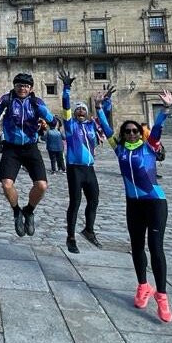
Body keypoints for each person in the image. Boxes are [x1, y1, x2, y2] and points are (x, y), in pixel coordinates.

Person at [102, 89, 172, 323]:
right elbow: (105, 127)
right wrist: (102, 106)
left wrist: (165, 109)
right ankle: (143, 286)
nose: (132, 133)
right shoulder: (120, 149)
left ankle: (161, 296)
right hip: (133, 204)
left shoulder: (149, 146)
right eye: (128, 131)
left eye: (135, 131)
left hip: (155, 202)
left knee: (155, 248)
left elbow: (157, 129)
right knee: (136, 246)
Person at [0, 72, 55, 237]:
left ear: (31, 88)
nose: (22, 88)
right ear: (14, 86)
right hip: (11, 148)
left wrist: (40, 110)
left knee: (42, 185)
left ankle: (29, 211)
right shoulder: (7, 99)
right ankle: (17, 211)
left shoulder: (36, 102)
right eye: (19, 85)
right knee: (6, 184)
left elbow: (52, 121)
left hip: (30, 147)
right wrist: (0, 109)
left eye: (26, 86)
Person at [59, 71, 112, 252]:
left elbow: (106, 122)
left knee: (94, 200)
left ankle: (89, 230)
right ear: (74, 113)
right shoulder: (70, 125)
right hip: (74, 168)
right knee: (75, 202)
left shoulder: (91, 126)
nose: (81, 111)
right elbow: (65, 107)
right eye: (78, 109)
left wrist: (104, 104)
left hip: (89, 169)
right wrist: (66, 89)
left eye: (83, 109)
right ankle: (71, 237)